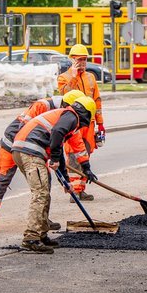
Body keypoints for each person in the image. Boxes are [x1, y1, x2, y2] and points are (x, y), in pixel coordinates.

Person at [0, 90, 85, 234]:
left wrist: (84, 165)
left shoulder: (68, 116)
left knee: (43, 181)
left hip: (33, 148)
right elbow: (25, 128)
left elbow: (71, 141)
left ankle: (42, 219)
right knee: (2, 180)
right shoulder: (44, 105)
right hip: (14, 143)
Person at [11, 95, 98, 253]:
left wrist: (66, 180)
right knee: (40, 194)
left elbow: (58, 149)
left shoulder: (66, 116)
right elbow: (57, 134)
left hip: (25, 150)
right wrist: (55, 159)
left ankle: (41, 234)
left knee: (44, 193)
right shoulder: (71, 116)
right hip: (30, 152)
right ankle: (31, 238)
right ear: (86, 113)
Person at [57, 44, 105, 201]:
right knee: (72, 156)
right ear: (72, 60)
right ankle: (74, 191)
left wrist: (100, 123)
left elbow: (97, 101)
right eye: (79, 60)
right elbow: (65, 93)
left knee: (86, 155)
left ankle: (80, 188)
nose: (82, 63)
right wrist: (74, 74)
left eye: (84, 59)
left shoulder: (90, 77)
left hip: (89, 124)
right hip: (74, 123)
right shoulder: (64, 77)